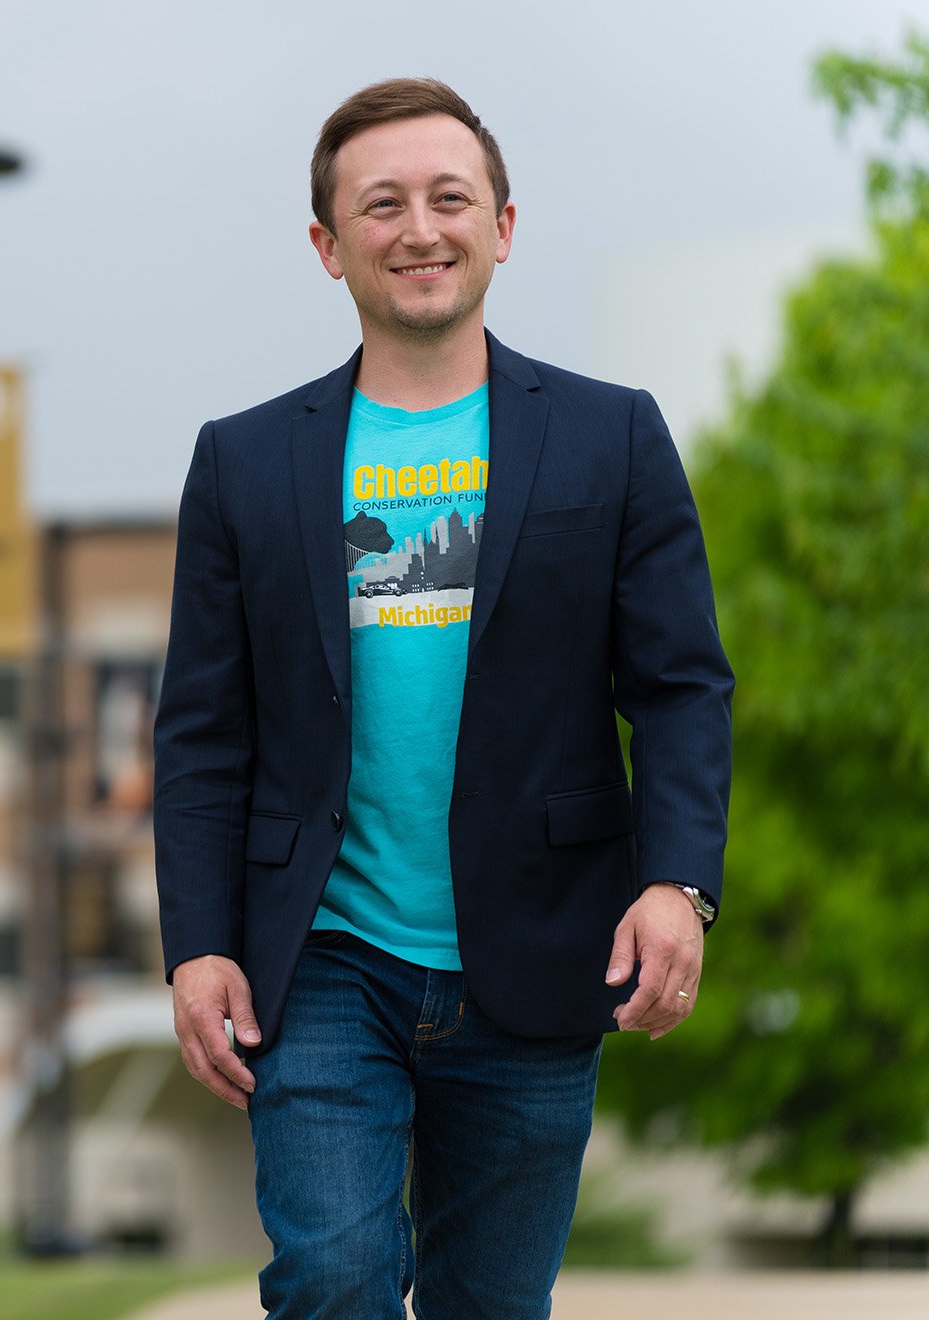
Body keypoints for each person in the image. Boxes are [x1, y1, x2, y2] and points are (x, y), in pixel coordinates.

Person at [152, 78, 733, 1318]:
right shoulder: (242, 462)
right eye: (381, 205)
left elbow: (680, 686)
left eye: (449, 198)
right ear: (328, 246)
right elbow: (202, 733)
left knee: (490, 1305)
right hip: (319, 954)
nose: (419, 229)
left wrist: (677, 885)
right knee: (333, 1277)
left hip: (540, 943)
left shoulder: (612, 438)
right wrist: (196, 945)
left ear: (502, 227)